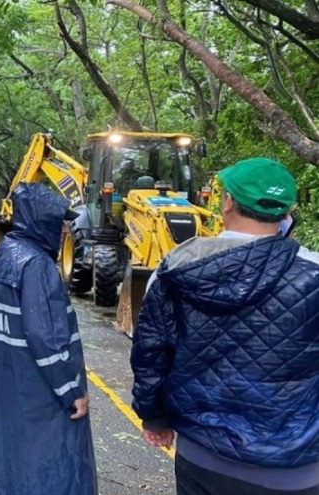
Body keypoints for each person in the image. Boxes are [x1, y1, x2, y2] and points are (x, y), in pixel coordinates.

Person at [131, 157, 319, 495]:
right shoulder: (314, 273)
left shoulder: (175, 269)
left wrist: (154, 417)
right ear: (287, 210)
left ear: (228, 201)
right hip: (298, 467)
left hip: (203, 457)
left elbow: (151, 351)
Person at [0, 182, 97, 495]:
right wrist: (72, 391)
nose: (64, 229)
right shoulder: (37, 266)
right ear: (44, 221)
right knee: (41, 468)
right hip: (33, 397)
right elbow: (47, 338)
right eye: (60, 222)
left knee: (0, 462)